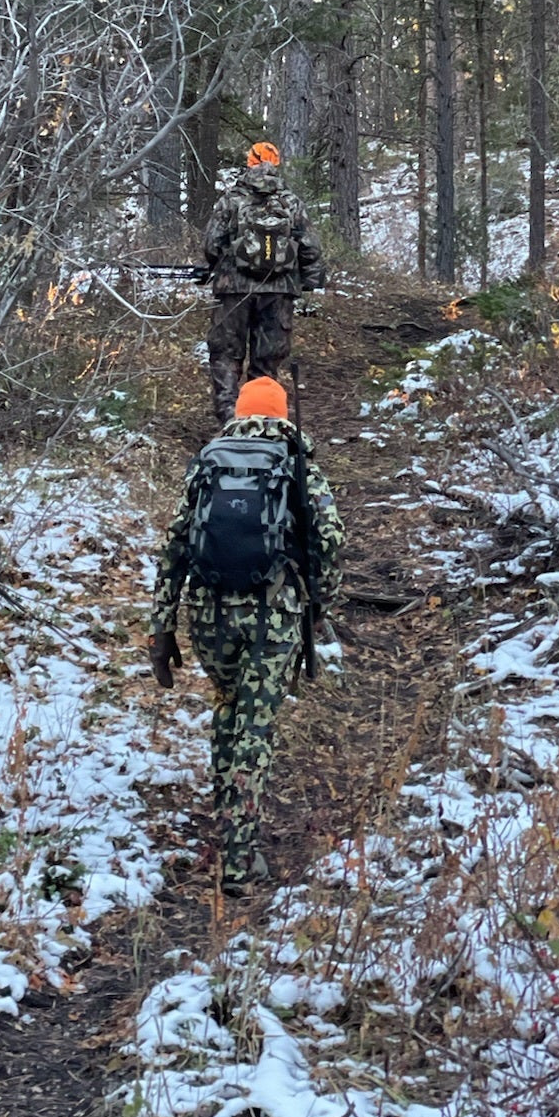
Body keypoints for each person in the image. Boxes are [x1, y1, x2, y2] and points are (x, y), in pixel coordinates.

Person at [149, 374, 343, 895]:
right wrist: (319, 603)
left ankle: (227, 822)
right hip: (272, 617)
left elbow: (175, 545)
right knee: (255, 727)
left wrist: (162, 630)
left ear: (240, 411)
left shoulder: (208, 462)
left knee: (228, 708)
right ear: (280, 414)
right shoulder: (295, 463)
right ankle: (238, 859)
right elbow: (330, 536)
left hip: (209, 614)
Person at [201, 141, 326, 426]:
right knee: (267, 360)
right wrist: (305, 282)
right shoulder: (290, 201)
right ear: (276, 164)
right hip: (279, 290)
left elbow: (211, 245)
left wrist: (222, 269)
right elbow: (310, 248)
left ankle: (229, 418)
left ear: (249, 163)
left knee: (226, 354)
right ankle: (261, 419)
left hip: (234, 289)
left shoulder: (231, 199)